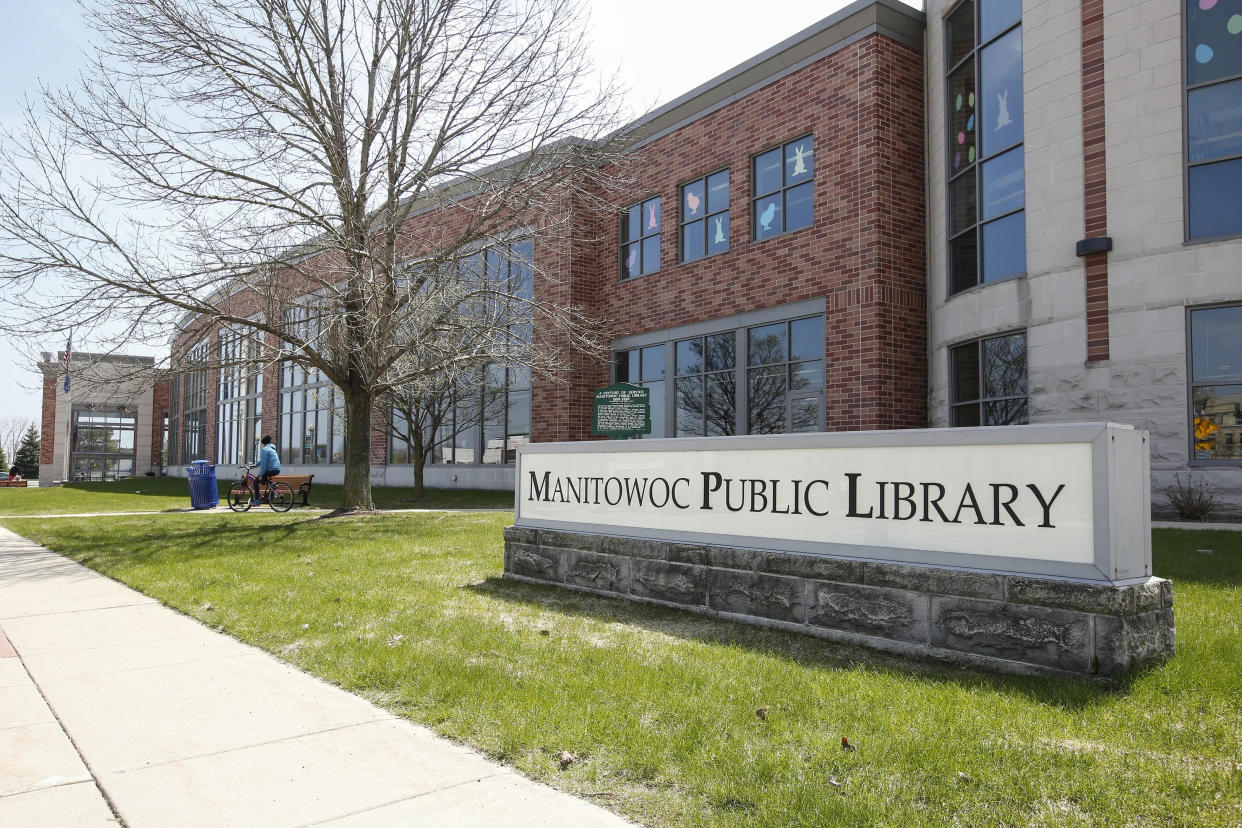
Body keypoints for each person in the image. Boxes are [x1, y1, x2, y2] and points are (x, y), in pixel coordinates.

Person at [251, 435, 281, 505]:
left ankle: (257, 501)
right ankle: (274, 488)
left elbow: (264, 465)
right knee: (264, 481)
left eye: (261, 444)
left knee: (256, 481)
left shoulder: (264, 450)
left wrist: (261, 475)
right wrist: (256, 465)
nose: (261, 446)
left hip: (271, 469)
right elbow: (262, 460)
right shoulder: (272, 449)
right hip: (277, 469)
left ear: (263, 443)